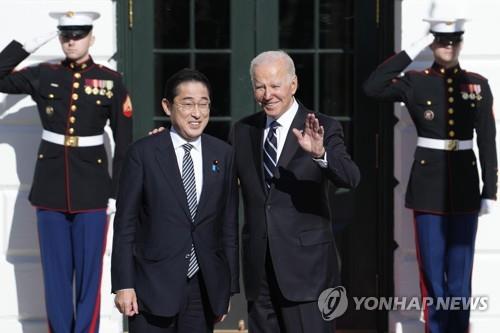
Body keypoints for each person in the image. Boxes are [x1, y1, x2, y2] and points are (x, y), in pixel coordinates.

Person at [0, 11, 133, 332]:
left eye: (78, 35)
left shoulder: (110, 81)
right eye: (66, 36)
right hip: (50, 188)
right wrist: (26, 45)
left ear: (91, 38)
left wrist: (116, 192)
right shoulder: (43, 74)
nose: (71, 41)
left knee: (89, 276)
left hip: (92, 190)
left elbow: (125, 142)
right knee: (56, 275)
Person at [364, 15, 497, 333]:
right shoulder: (415, 81)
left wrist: (489, 188)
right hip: (427, 187)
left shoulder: (477, 85)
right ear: (433, 44)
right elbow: (373, 86)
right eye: (439, 41)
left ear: (460, 44)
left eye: (452, 42)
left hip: (465, 186)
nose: (447, 48)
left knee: (460, 277)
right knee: (433, 274)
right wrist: (413, 48)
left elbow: (487, 139)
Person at [230, 50, 360, 333]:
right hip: (258, 273)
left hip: (308, 272)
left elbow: (350, 178)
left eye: (275, 86)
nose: (267, 94)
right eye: (260, 86)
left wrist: (321, 154)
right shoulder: (242, 131)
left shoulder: (322, 126)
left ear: (293, 84)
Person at [111, 68, 239, 333]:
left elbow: (227, 227)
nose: (197, 113)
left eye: (204, 104)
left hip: (202, 288)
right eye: (188, 103)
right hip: (151, 287)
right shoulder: (143, 153)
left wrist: (226, 289)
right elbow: (125, 224)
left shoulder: (223, 154)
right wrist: (124, 284)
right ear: (167, 106)